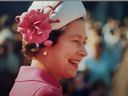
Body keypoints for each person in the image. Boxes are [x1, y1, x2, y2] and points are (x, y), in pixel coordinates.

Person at [9, 1, 87, 96]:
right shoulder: (45, 92)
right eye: (75, 41)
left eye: (84, 42)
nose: (84, 52)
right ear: (46, 42)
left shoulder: (24, 82)